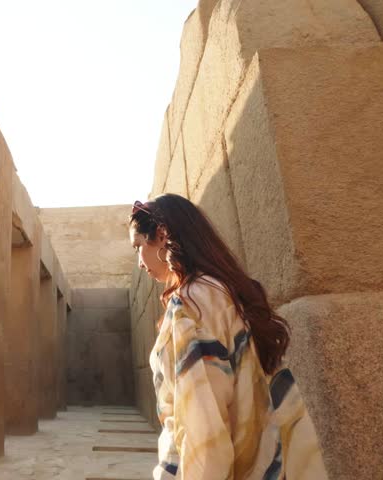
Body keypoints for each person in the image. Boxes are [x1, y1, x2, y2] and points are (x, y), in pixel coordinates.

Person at [129, 194, 327, 480]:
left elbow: (204, 428)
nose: (139, 262)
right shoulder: (225, 291)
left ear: (161, 236)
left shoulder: (191, 304)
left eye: (138, 247)